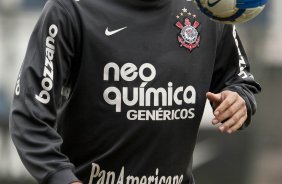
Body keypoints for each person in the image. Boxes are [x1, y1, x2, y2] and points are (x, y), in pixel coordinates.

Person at [9, 0, 261, 183]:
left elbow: (238, 79)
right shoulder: (70, 8)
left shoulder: (208, 9)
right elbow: (29, 114)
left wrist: (239, 100)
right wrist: (62, 178)